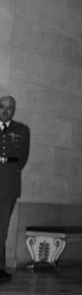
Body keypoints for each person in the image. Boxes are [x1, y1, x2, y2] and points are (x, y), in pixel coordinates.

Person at [0, 95, 30, 280]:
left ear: (14, 110)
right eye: (1, 106)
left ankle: (0, 266)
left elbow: (23, 158)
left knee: (1, 227)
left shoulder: (22, 130)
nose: (5, 110)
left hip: (8, 186)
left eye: (9, 108)